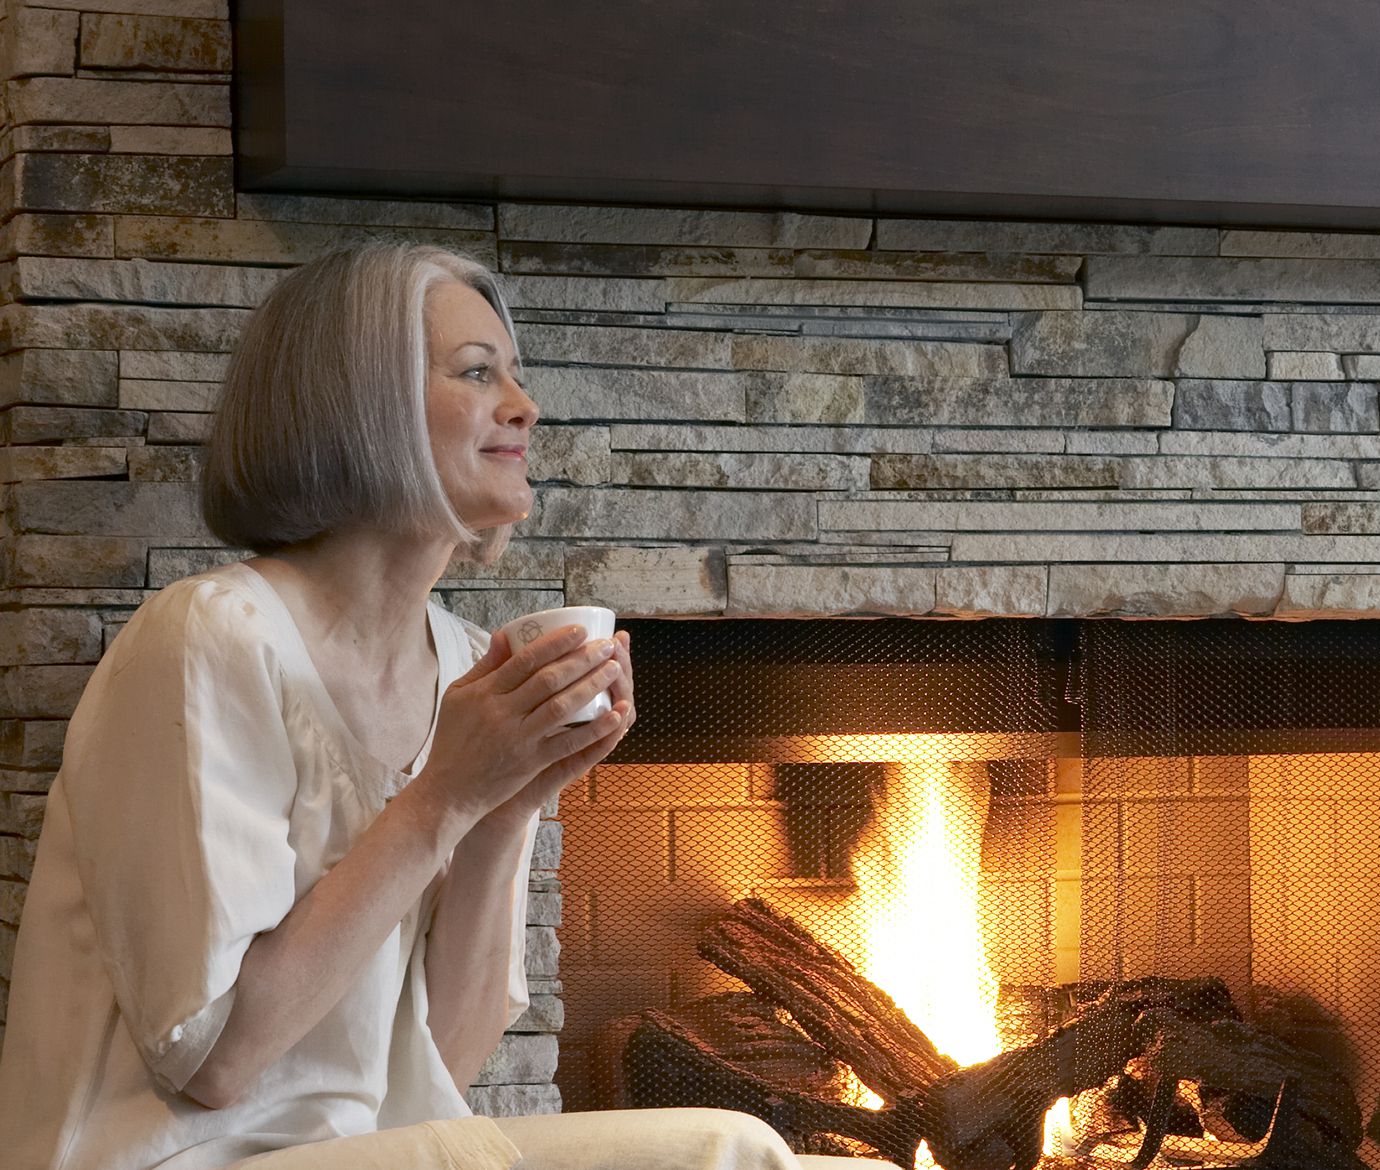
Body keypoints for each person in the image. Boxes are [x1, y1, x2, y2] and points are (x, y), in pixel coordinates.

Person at [0, 245, 803, 1170]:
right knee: (727, 1152)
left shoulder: (462, 660)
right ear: (361, 403)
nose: (523, 406)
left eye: (515, 373)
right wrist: (442, 798)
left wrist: (510, 802)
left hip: (367, 1154)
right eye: (476, 372)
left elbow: (441, 1071)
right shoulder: (213, 638)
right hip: (179, 1158)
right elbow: (214, 1063)